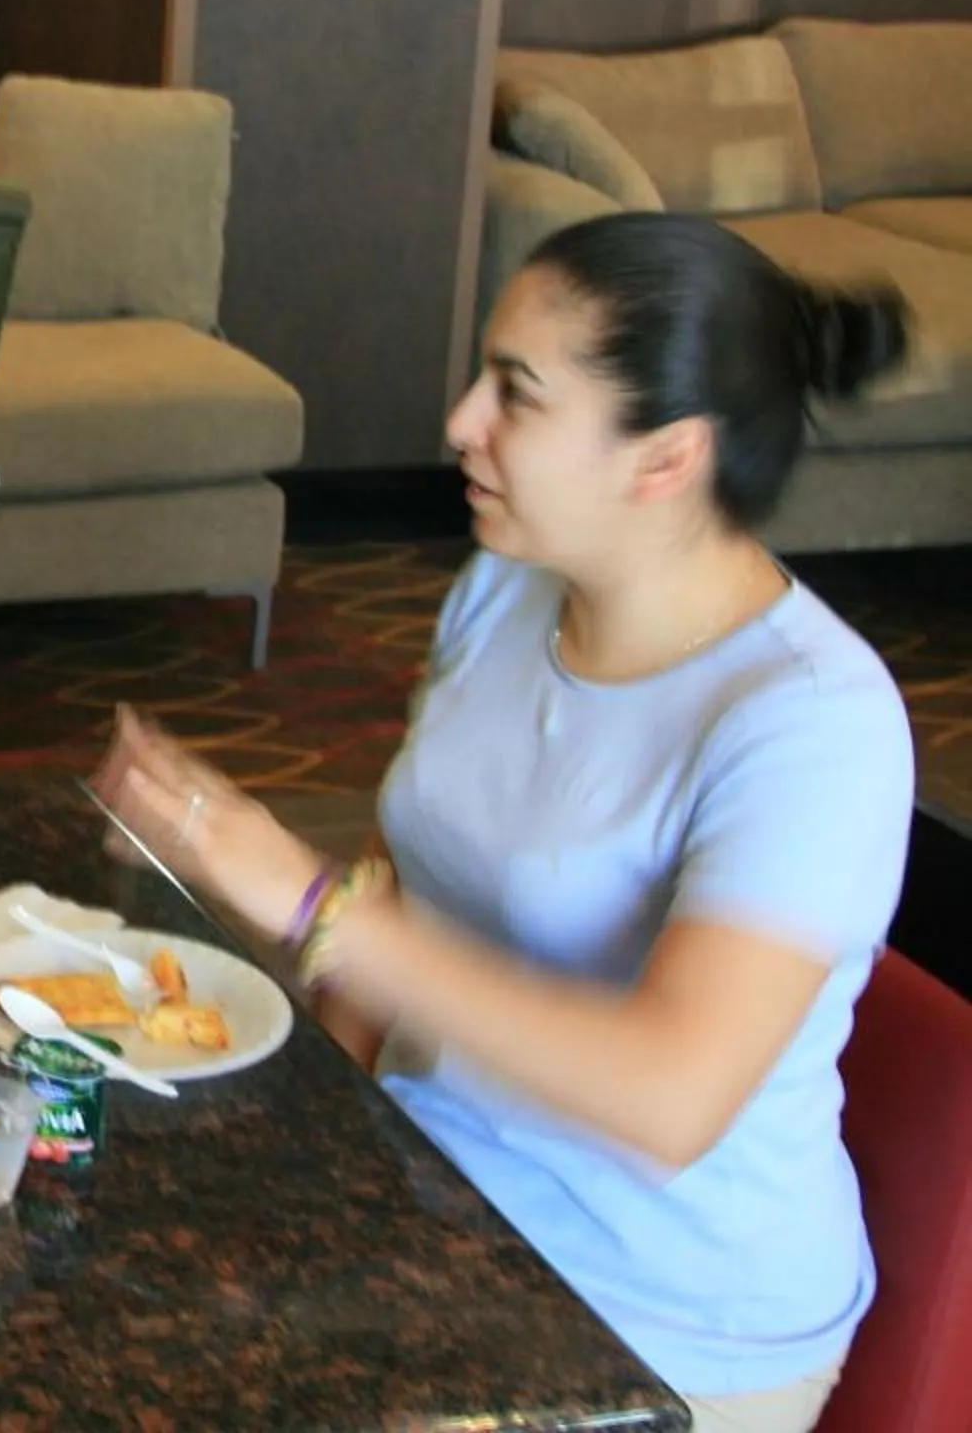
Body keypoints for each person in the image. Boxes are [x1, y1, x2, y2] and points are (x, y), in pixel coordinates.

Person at [93, 212, 914, 1433]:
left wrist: (321, 908)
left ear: (666, 457)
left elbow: (669, 1095)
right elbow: (425, 892)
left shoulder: (809, 723)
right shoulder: (504, 590)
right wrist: (299, 1120)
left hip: (657, 1325)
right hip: (437, 1212)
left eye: (516, 394)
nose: (461, 420)